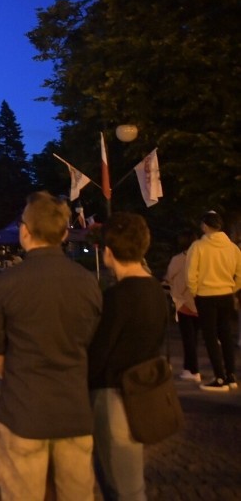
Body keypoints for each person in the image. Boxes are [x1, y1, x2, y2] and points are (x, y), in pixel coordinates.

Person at [0, 191, 102, 500]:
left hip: (23, 412)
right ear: (64, 234)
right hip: (74, 411)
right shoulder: (88, 282)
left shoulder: (4, 284)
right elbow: (91, 343)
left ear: (25, 231)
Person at [88, 212, 168, 500]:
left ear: (109, 253)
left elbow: (98, 354)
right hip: (144, 394)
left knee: (122, 487)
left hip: (113, 398)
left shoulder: (116, 298)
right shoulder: (157, 292)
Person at [186, 210, 241, 391]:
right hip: (225, 294)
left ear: (205, 226)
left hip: (206, 296)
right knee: (225, 335)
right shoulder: (232, 248)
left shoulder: (198, 247)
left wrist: (195, 291)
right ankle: (231, 376)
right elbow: (240, 273)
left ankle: (219, 377)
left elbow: (190, 274)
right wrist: (232, 288)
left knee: (210, 337)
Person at [164, 230, 200, 382]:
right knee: (194, 338)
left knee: (188, 338)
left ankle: (192, 370)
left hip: (184, 301)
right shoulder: (200, 258)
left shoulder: (179, 259)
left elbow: (170, 276)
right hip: (199, 301)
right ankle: (190, 368)